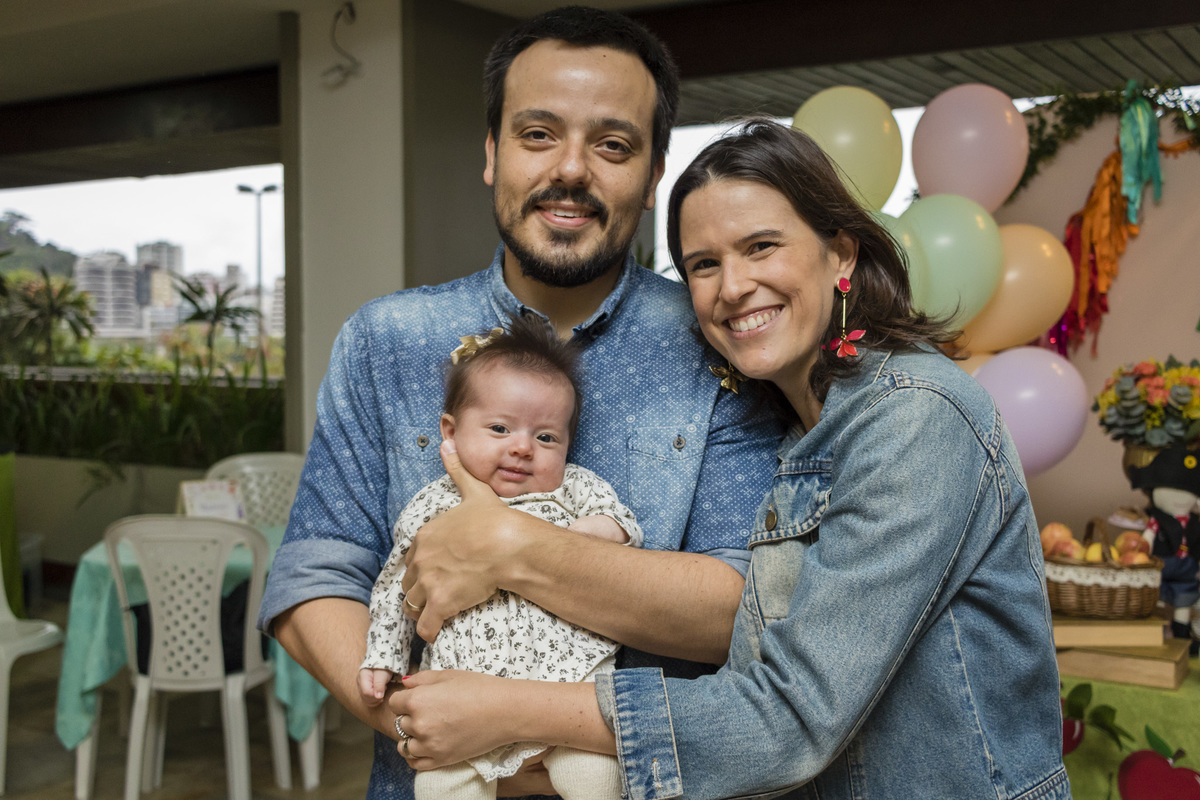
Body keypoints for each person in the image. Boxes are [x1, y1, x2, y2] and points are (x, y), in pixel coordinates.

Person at [388, 120, 1070, 800]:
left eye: (761, 246)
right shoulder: (792, 425)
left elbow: (790, 717)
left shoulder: (914, 414)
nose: (733, 286)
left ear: (840, 255)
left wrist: (508, 709)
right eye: (704, 265)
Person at [257, 8, 785, 799]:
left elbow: (745, 609)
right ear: (491, 152)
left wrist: (509, 548)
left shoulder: (719, 339)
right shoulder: (385, 340)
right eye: (538, 134)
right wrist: (440, 732)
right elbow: (312, 578)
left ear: (653, 177)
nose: (571, 169)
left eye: (613, 145)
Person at [360, 317, 640, 800]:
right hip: (460, 687)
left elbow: (622, 523)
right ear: (451, 431)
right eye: (499, 428)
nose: (522, 447)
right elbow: (395, 586)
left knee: (594, 776)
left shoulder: (573, 487)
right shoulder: (432, 505)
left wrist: (584, 536)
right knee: (443, 783)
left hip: (567, 679)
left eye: (546, 437)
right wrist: (382, 656)